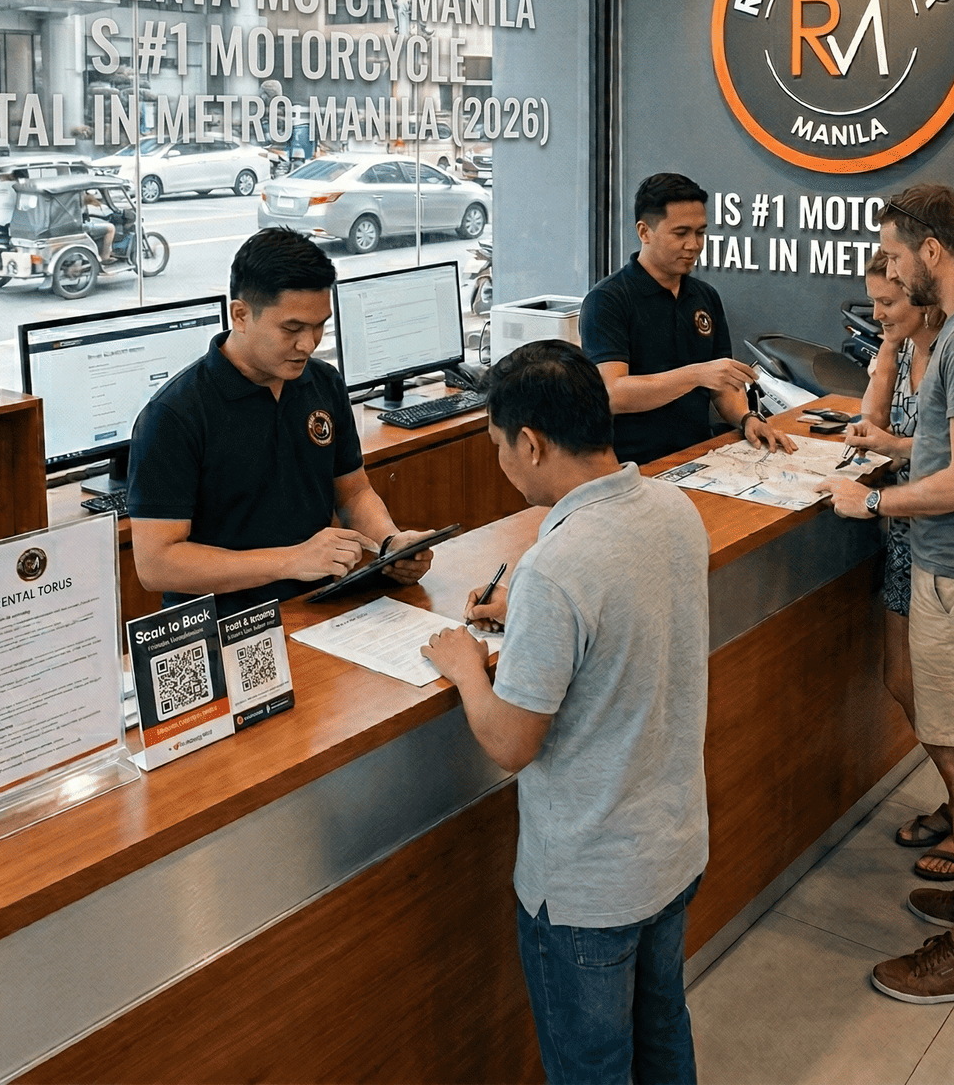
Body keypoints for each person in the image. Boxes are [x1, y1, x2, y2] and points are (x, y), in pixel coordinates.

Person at [423, 341, 709, 1085]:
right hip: (672, 846)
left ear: (531, 443)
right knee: (663, 1035)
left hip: (590, 884)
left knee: (592, 1068)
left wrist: (465, 669)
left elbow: (511, 741)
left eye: (497, 445)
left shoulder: (556, 566)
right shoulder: (673, 507)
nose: (500, 461)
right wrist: (527, 615)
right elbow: (623, 619)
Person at [817, 184, 954, 1004]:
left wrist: (873, 502)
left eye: (894, 255)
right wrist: (901, 447)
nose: (889, 270)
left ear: (931, 251)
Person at [127, 228, 438, 618]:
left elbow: (353, 493)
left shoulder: (323, 382)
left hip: (319, 604)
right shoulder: (174, 414)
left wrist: (389, 544)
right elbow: (156, 563)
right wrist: (291, 560)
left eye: (319, 325)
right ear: (240, 315)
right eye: (292, 329)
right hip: (224, 623)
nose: (309, 344)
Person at [845, 250, 954, 882]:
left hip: (945, 542)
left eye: (888, 301)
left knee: (943, 694)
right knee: (903, 678)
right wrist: (888, 351)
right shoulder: (904, 347)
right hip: (906, 535)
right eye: (874, 302)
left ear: (922, 292)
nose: (877, 312)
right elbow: (871, 424)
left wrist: (891, 446)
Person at [580, 171, 794, 465]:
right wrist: (696, 374)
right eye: (680, 233)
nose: (693, 245)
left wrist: (747, 418)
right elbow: (613, 393)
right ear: (644, 232)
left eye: (700, 232)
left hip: (698, 455)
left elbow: (723, 385)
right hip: (632, 465)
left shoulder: (705, 296)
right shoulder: (607, 300)